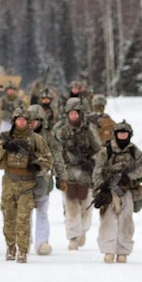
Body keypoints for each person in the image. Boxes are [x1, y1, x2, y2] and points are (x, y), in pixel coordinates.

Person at [0, 107, 53, 263]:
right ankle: (10, 247)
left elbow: (49, 159)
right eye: (18, 119)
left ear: (29, 122)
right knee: (9, 217)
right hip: (9, 182)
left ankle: (22, 250)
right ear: (14, 121)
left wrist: (37, 165)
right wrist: (3, 147)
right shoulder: (5, 138)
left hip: (27, 184)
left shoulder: (36, 139)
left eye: (24, 119)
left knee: (23, 218)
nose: (21, 122)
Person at [91, 120, 142, 263]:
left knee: (126, 220)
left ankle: (123, 251)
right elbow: (97, 171)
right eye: (120, 133)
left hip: (127, 190)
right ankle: (108, 250)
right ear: (115, 135)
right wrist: (102, 185)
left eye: (125, 133)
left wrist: (129, 178)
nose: (122, 136)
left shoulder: (134, 151)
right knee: (108, 220)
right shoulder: (106, 152)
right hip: (109, 191)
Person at [54, 98, 102, 251]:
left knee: (86, 206)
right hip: (69, 173)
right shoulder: (62, 131)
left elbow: (99, 151)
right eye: (71, 113)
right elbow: (57, 153)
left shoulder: (89, 130)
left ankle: (83, 231)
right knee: (71, 207)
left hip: (86, 173)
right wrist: (59, 173)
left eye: (76, 113)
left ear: (80, 114)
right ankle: (73, 237)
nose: (73, 116)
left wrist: (92, 161)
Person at [27, 104, 67, 255]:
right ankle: (25, 240)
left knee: (42, 211)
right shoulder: (19, 134)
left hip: (43, 179)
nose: (32, 123)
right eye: (29, 120)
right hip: (23, 179)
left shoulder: (50, 136)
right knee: (24, 211)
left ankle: (42, 242)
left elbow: (57, 158)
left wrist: (61, 177)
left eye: (35, 120)